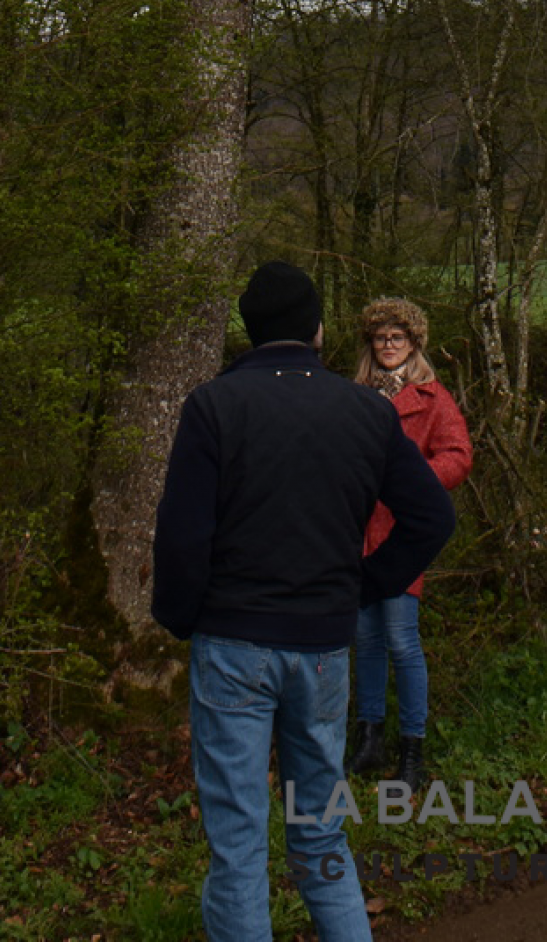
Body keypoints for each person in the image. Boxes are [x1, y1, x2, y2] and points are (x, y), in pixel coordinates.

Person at [152, 259, 455, 942]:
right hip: (322, 645)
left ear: (249, 334)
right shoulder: (365, 411)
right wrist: (367, 583)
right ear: (318, 332)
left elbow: (181, 535)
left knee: (238, 849)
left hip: (234, 642)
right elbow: (432, 517)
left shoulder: (214, 406)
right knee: (321, 836)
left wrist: (178, 615)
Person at [350, 296, 472, 792]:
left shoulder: (432, 397)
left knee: (402, 640)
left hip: (403, 533)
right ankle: (370, 740)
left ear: (414, 343)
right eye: (381, 338)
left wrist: (414, 482)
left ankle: (412, 749)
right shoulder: (353, 397)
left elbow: (458, 455)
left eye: (397, 338)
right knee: (366, 641)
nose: (389, 346)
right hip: (356, 534)